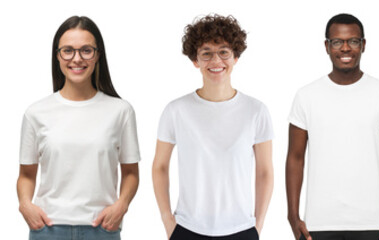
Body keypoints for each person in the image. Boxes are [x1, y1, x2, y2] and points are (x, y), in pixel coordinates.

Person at [285, 13, 379, 240]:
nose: (345, 48)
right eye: (337, 42)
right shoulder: (306, 96)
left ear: (363, 45)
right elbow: (295, 157)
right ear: (327, 46)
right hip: (318, 225)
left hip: (373, 224)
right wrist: (293, 216)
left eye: (353, 41)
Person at [152, 14, 273, 240]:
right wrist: (168, 220)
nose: (216, 61)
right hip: (187, 228)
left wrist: (259, 223)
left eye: (224, 52)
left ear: (235, 57)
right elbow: (159, 166)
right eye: (206, 53)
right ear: (195, 60)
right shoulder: (176, 110)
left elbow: (265, 171)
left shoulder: (256, 111)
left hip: (242, 229)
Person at [19, 16, 140, 240]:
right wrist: (25, 204)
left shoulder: (121, 111)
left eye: (86, 50)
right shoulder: (36, 113)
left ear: (97, 55)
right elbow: (26, 174)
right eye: (68, 50)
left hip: (102, 228)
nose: (77, 59)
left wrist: (122, 205)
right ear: (57, 56)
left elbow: (131, 172)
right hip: (48, 228)